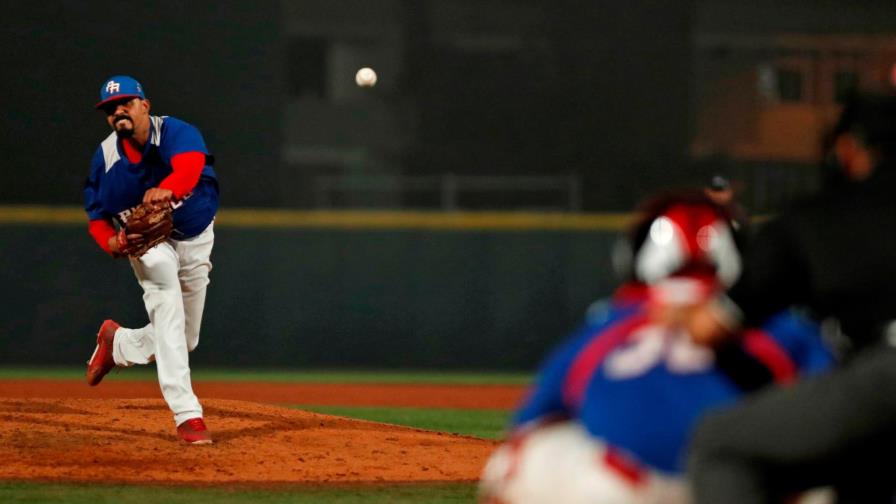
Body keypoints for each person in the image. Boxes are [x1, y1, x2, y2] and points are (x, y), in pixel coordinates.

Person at [479, 191, 834, 504]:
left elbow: (531, 423)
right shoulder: (779, 325)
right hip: (735, 486)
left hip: (621, 488)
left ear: (633, 256)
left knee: (522, 457)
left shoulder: (613, 322)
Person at [686, 92, 896, 503]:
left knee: (719, 444)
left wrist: (679, 316)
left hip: (884, 376)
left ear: (849, 148)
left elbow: (711, 327)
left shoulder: (821, 217)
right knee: (865, 468)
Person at [82, 75, 219, 445]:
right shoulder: (107, 160)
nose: (118, 111)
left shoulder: (176, 132)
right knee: (165, 300)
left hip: (195, 235)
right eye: (111, 108)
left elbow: (189, 168)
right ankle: (187, 415)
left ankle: (119, 343)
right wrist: (110, 241)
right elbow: (96, 214)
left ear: (145, 105)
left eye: (126, 102)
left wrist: (169, 188)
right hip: (146, 244)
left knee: (184, 338)